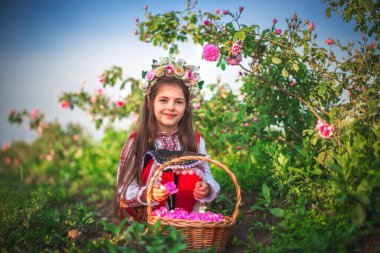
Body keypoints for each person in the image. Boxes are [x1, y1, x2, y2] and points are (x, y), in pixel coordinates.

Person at [114, 57, 220, 223]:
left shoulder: (196, 141)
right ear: (150, 102)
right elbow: (123, 191)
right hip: (149, 228)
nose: (171, 107)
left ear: (186, 107)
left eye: (178, 102)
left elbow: (209, 178)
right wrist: (147, 193)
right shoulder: (137, 142)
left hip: (190, 228)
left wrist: (206, 188)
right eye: (163, 100)